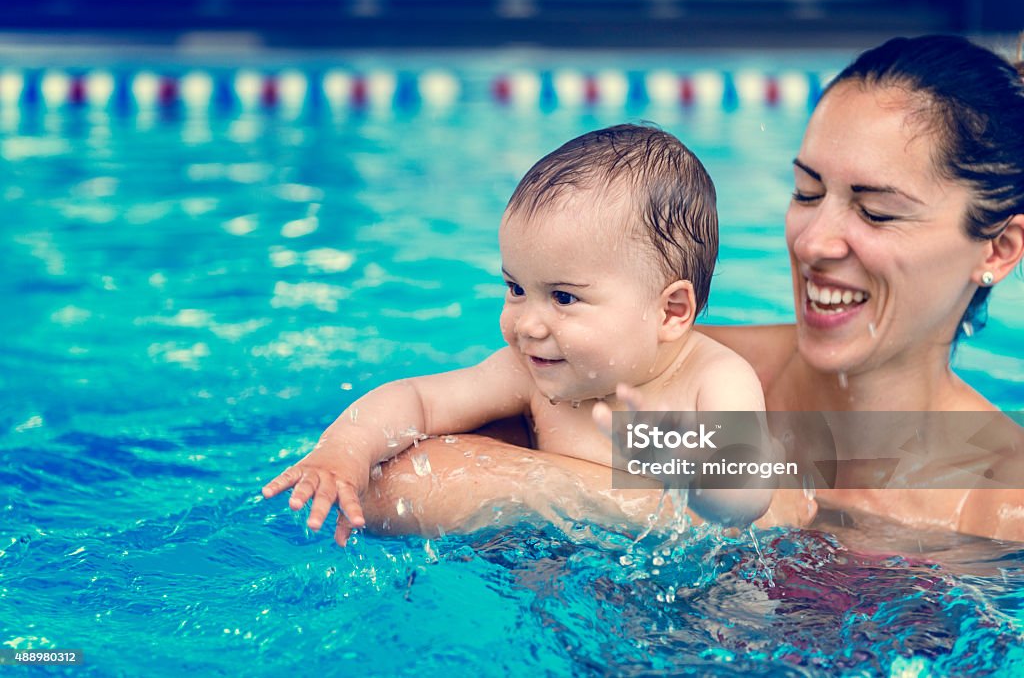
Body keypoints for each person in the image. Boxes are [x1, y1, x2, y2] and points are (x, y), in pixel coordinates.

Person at [343, 34, 1024, 544]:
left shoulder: (1002, 506)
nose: (814, 241)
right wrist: (654, 500)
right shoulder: (657, 366)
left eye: (875, 211)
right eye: (805, 192)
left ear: (998, 249)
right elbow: (388, 488)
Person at [262, 125, 776, 546]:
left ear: (671, 311)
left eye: (564, 298)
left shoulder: (714, 381)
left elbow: (749, 499)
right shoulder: (531, 370)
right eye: (515, 288)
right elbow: (419, 399)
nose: (526, 325)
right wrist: (344, 452)